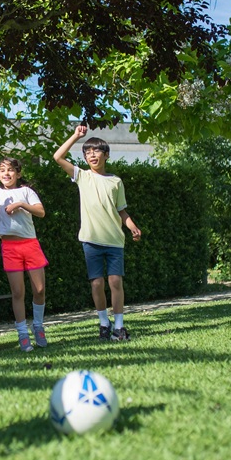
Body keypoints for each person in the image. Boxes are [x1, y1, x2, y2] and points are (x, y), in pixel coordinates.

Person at [53, 125, 142, 341]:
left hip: (114, 241)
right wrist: (76, 135)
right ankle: (104, 322)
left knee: (115, 283)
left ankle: (119, 327)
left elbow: (121, 210)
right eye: (87, 152)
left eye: (96, 151)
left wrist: (131, 226)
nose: (92, 155)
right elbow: (57, 157)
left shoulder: (116, 181)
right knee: (96, 283)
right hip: (90, 241)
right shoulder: (82, 176)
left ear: (106, 155)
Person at [0, 133, 48, 352]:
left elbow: (41, 212)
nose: (5, 174)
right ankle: (23, 334)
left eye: (10, 170)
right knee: (18, 293)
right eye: (2, 170)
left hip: (30, 244)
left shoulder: (26, 192)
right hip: (9, 247)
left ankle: (38, 326)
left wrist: (21, 204)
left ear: (18, 173)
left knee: (39, 289)